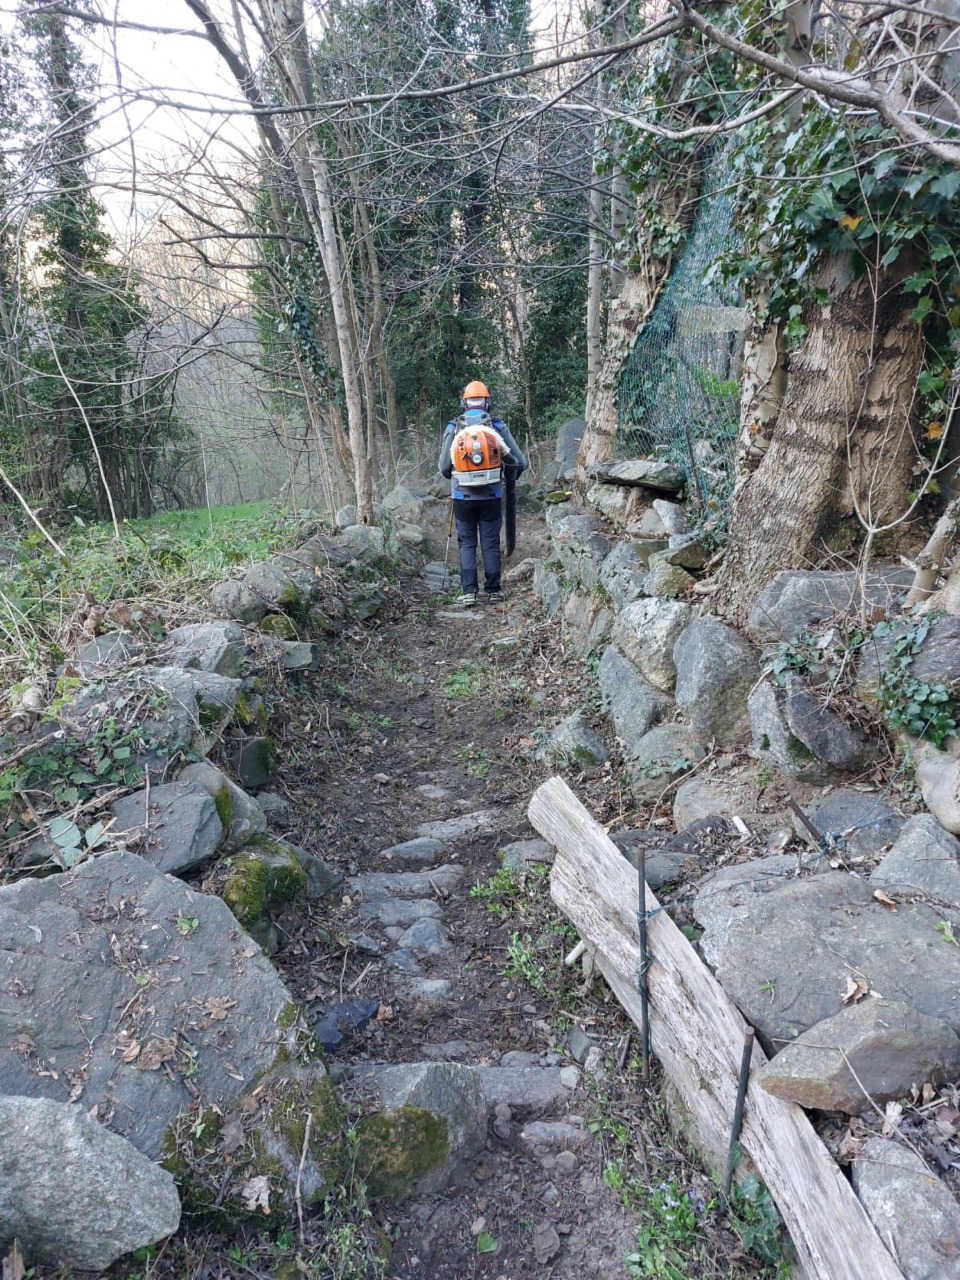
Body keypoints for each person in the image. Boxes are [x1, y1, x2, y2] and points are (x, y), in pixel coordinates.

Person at [439, 379, 527, 606]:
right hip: (491, 496)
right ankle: (494, 590)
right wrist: (506, 479)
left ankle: (469, 591)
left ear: (464, 403)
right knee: (489, 542)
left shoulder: (454, 428)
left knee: (467, 542)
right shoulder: (496, 427)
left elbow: (444, 469)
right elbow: (519, 462)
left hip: (462, 498)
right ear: (487, 402)